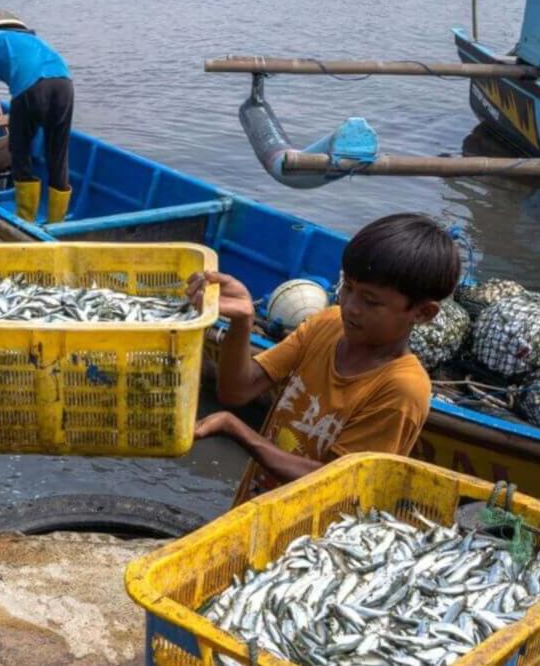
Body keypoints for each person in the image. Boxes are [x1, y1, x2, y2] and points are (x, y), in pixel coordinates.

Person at [186, 213, 460, 505]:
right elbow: (236, 390)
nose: (350, 307)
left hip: (315, 539)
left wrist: (235, 429)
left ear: (422, 313)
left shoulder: (402, 388)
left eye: (371, 301)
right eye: (349, 288)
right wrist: (243, 321)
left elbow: (337, 481)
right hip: (255, 507)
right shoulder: (327, 325)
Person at [0, 3, 74, 224]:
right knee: (57, 155)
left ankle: (24, 221)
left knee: (20, 152)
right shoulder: (29, 38)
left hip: (30, 89)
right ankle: (57, 224)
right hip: (64, 83)